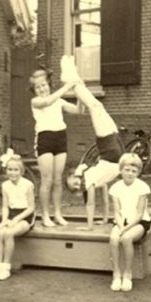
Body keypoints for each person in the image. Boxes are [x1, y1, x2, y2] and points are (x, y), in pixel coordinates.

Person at [63, 56, 124, 229]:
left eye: (74, 180)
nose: (77, 183)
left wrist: (90, 226)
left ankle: (72, 78)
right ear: (78, 193)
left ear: (76, 174)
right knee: (96, 106)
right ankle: (74, 80)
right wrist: (103, 220)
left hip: (110, 150)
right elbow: (102, 199)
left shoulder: (89, 177)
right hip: (116, 147)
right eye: (75, 186)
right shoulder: (93, 182)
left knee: (95, 106)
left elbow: (93, 204)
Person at [30, 69, 80, 227]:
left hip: (60, 138)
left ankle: (57, 213)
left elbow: (78, 110)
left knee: (58, 180)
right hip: (45, 139)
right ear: (34, 90)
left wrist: (79, 90)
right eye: (38, 87)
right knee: (47, 180)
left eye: (43, 85)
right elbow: (47, 102)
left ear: (49, 85)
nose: (41, 89)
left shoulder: (59, 101)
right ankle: (45, 215)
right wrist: (67, 87)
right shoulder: (36, 101)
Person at [0, 152, 36, 281]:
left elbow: (31, 208)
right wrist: (4, 220)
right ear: (6, 170)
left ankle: (6, 268)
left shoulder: (28, 185)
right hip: (11, 214)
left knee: (9, 233)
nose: (12, 173)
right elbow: (5, 206)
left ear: (21, 171)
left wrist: (15, 220)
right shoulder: (5, 185)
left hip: (25, 216)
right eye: (10, 169)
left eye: (16, 170)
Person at [108, 153, 151, 292]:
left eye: (134, 171)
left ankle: (127, 274)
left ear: (138, 172)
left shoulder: (142, 187)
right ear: (121, 170)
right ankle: (116, 274)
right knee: (113, 238)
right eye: (127, 170)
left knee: (126, 238)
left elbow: (139, 214)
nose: (130, 173)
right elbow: (116, 212)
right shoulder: (115, 187)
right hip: (121, 221)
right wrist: (121, 226)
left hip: (139, 223)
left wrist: (126, 229)